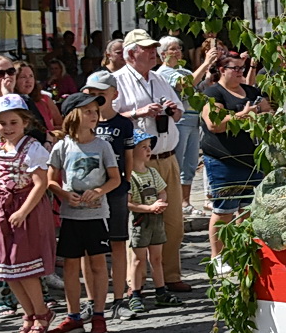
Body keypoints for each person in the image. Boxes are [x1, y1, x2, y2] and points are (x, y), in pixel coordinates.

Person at [111, 30, 194, 293]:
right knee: (137, 223)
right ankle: (134, 281)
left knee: (173, 221)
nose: (152, 53)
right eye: (146, 49)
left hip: (167, 156)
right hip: (137, 162)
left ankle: (170, 275)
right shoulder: (118, 80)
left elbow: (180, 112)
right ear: (131, 54)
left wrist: (172, 109)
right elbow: (109, 118)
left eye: (153, 48)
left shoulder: (158, 78)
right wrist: (139, 113)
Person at [45, 93, 120, 333]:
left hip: (96, 215)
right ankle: (73, 316)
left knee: (98, 264)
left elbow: (115, 178)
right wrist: (64, 195)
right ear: (74, 115)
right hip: (70, 216)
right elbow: (50, 180)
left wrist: (98, 191)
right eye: (87, 111)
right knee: (70, 266)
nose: (93, 115)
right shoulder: (62, 146)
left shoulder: (103, 145)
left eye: (95, 111)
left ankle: (99, 314)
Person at [0, 94, 54, 333]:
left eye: (13, 122)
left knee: (24, 264)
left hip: (26, 208)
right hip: (5, 207)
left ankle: (41, 311)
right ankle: (28, 312)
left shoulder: (32, 148)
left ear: (25, 122)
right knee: (6, 268)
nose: (8, 128)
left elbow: (40, 183)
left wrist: (23, 211)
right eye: (3, 123)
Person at [200, 53, 270, 266]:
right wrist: (243, 115)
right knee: (224, 210)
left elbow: (268, 110)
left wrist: (259, 112)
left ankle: (242, 251)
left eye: (243, 67)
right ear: (222, 70)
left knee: (248, 209)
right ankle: (218, 256)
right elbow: (214, 124)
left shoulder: (251, 91)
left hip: (251, 160)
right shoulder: (214, 92)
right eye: (236, 68)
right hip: (223, 160)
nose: (241, 71)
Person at [83, 71, 137, 317]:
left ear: (114, 94)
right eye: (91, 94)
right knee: (88, 246)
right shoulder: (82, 122)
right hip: (87, 191)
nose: (95, 100)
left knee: (117, 242)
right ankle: (92, 299)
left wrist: (127, 184)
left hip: (115, 189)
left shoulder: (123, 124)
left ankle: (119, 298)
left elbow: (128, 157)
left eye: (100, 95)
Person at [159, 36, 217, 219]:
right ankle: (176, 202)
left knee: (191, 163)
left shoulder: (183, 70)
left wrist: (207, 80)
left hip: (193, 120)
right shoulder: (164, 72)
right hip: (180, 121)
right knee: (179, 162)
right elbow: (185, 85)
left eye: (179, 48)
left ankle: (186, 201)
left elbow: (196, 88)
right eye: (172, 49)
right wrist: (205, 63)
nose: (177, 52)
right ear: (163, 55)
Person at [125, 132, 177, 309]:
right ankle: (135, 292)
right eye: (143, 147)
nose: (148, 150)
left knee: (156, 257)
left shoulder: (153, 172)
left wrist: (161, 201)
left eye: (149, 147)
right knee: (138, 259)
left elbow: (162, 190)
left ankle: (160, 291)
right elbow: (129, 203)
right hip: (140, 221)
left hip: (156, 219)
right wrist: (148, 208)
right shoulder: (130, 176)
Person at [15, 62, 60, 135]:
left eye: (31, 76)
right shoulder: (12, 104)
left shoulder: (44, 100)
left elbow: (58, 125)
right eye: (23, 77)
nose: (28, 80)